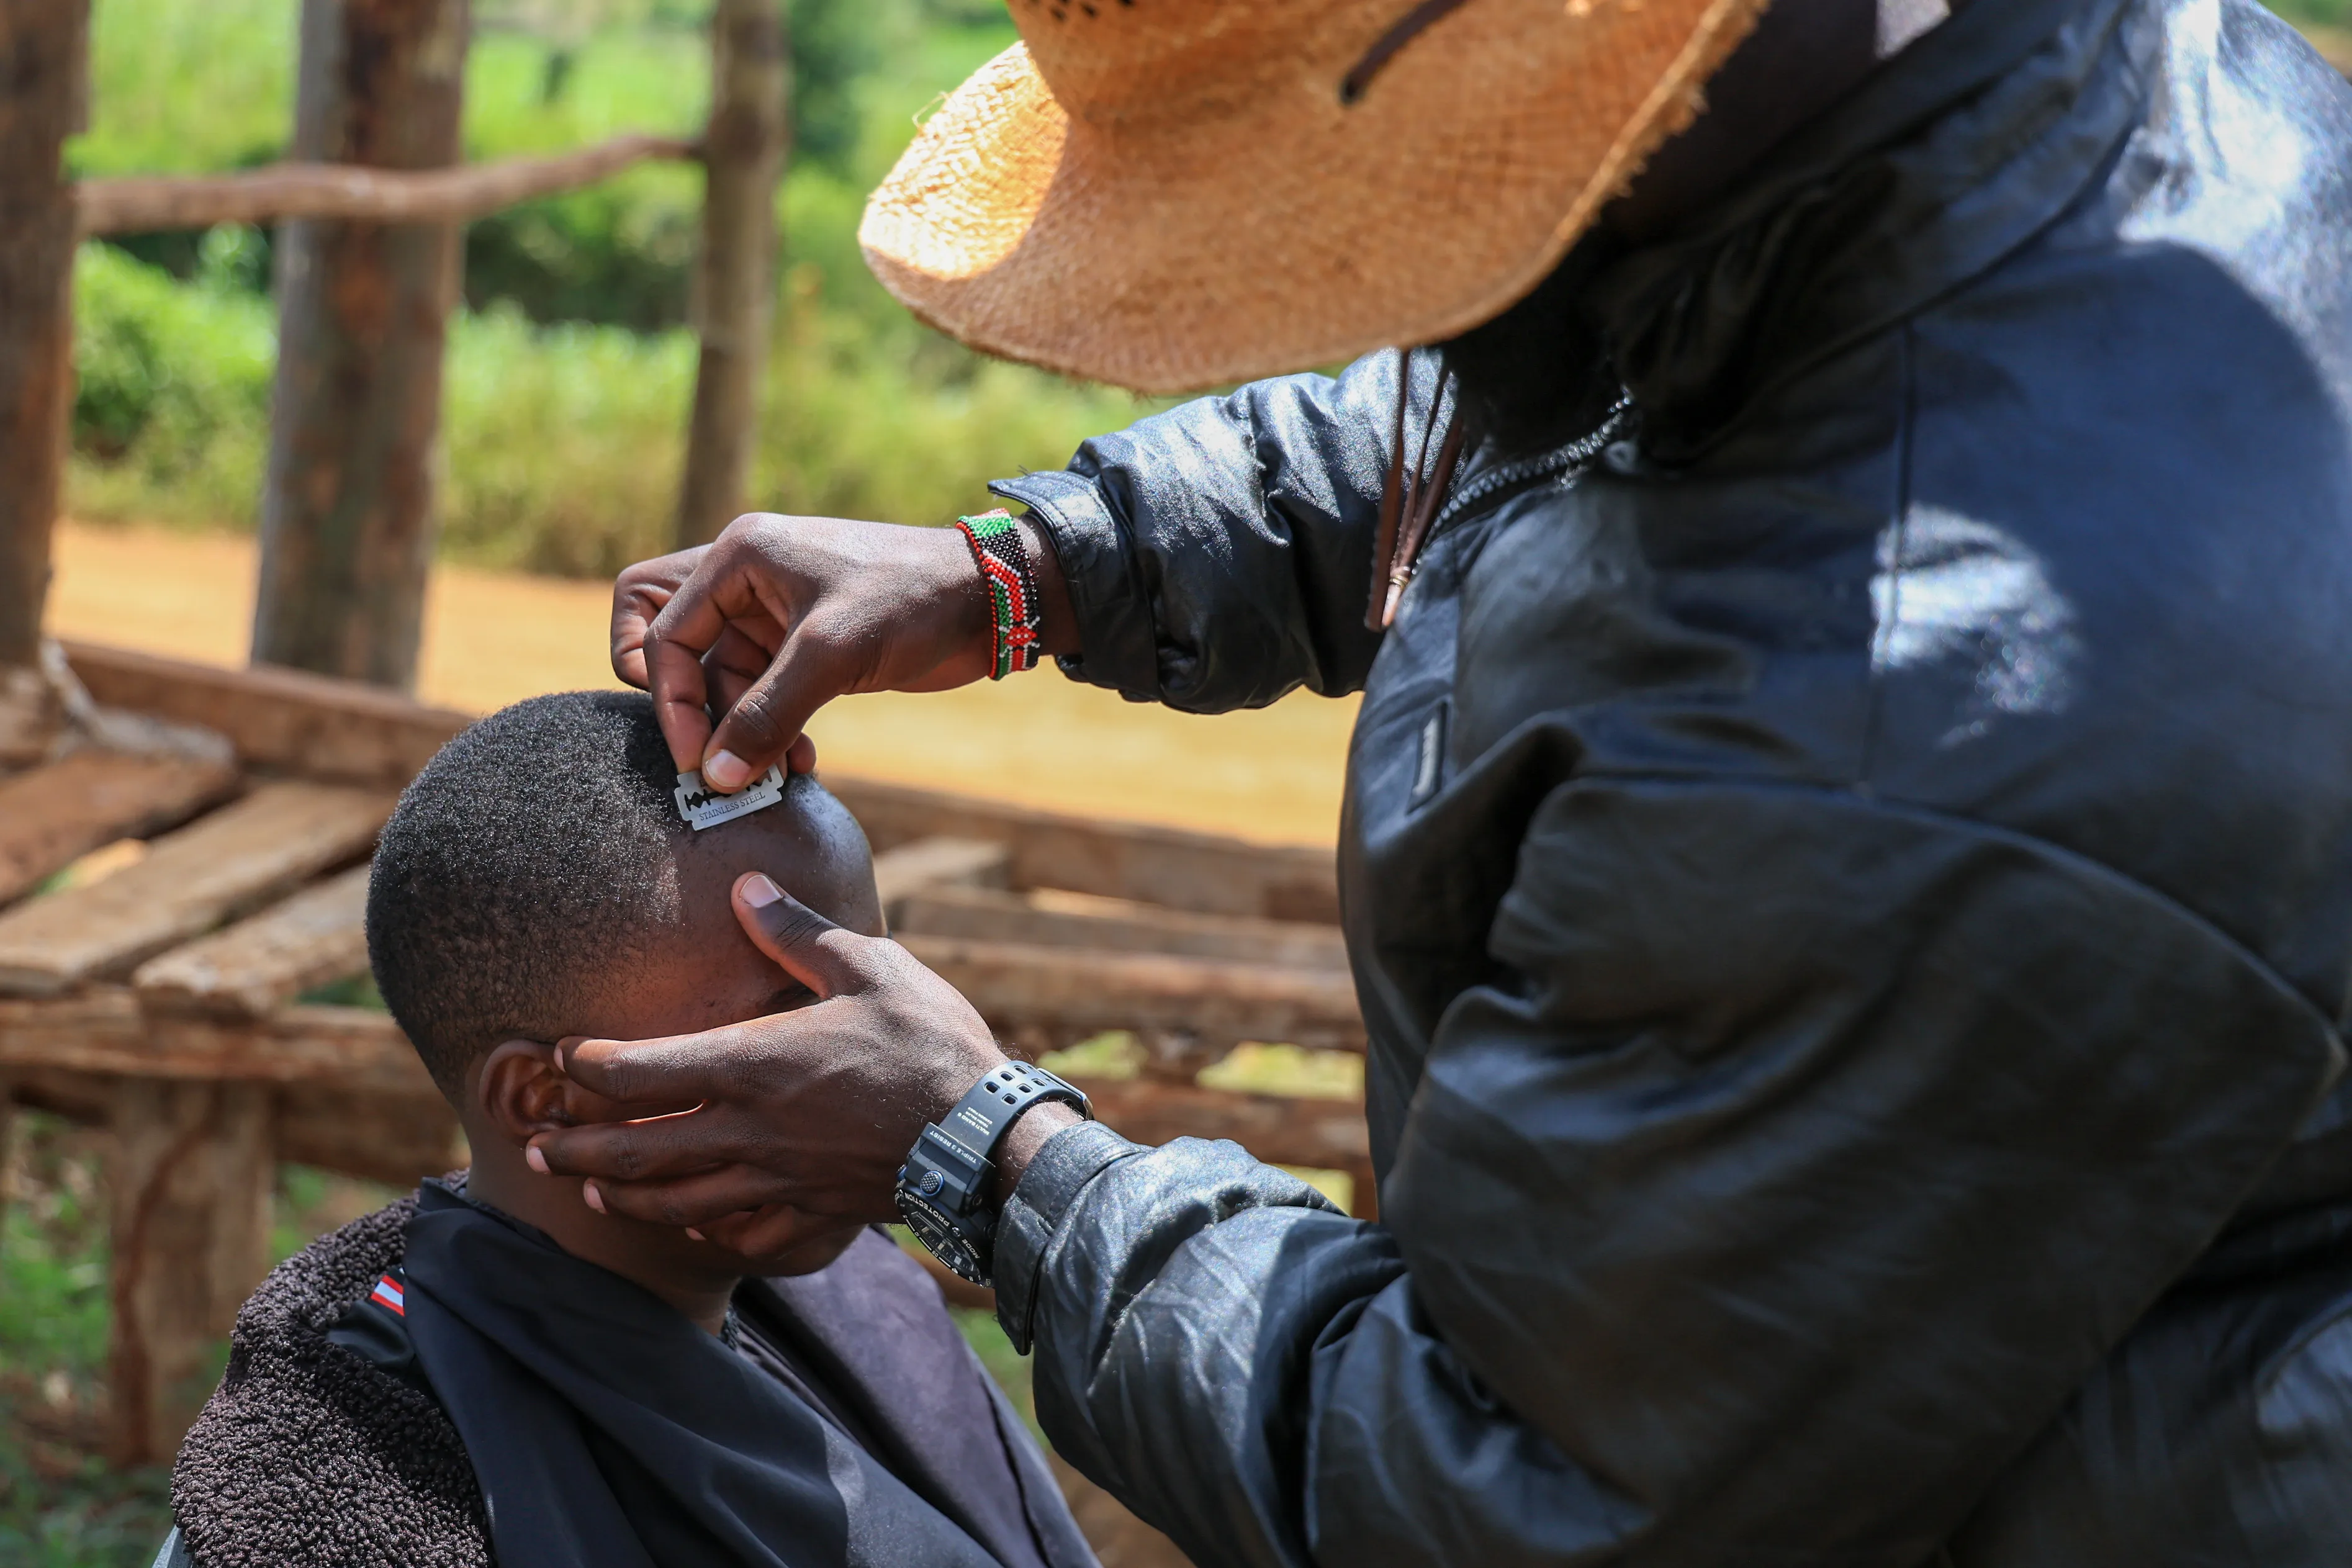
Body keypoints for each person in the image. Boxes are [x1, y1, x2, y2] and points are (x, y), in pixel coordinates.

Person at [527, 0, 2352, 1562]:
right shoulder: (2018, 102)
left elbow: (1525, 1486)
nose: (1369, 280)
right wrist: (1043, 563)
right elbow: (1551, 402)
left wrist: (985, 1153)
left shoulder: (1911, 740)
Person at [161, 692, 1095, 1568]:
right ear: (544, 1096)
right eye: (792, 1013)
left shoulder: (864, 1304)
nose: (886, 1058)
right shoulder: (342, 1499)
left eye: (872, 985)